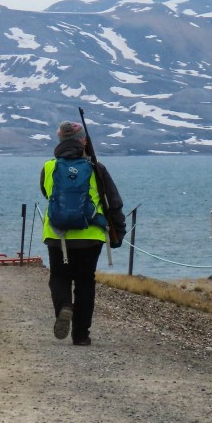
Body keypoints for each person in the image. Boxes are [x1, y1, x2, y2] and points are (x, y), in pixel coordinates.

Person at [40, 121, 126, 346]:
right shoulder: (96, 167)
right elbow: (113, 202)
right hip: (91, 235)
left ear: (60, 140)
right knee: (85, 282)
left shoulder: (49, 167)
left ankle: (64, 306)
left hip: (57, 234)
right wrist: (119, 230)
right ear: (84, 141)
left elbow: (46, 193)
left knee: (59, 277)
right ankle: (80, 335)